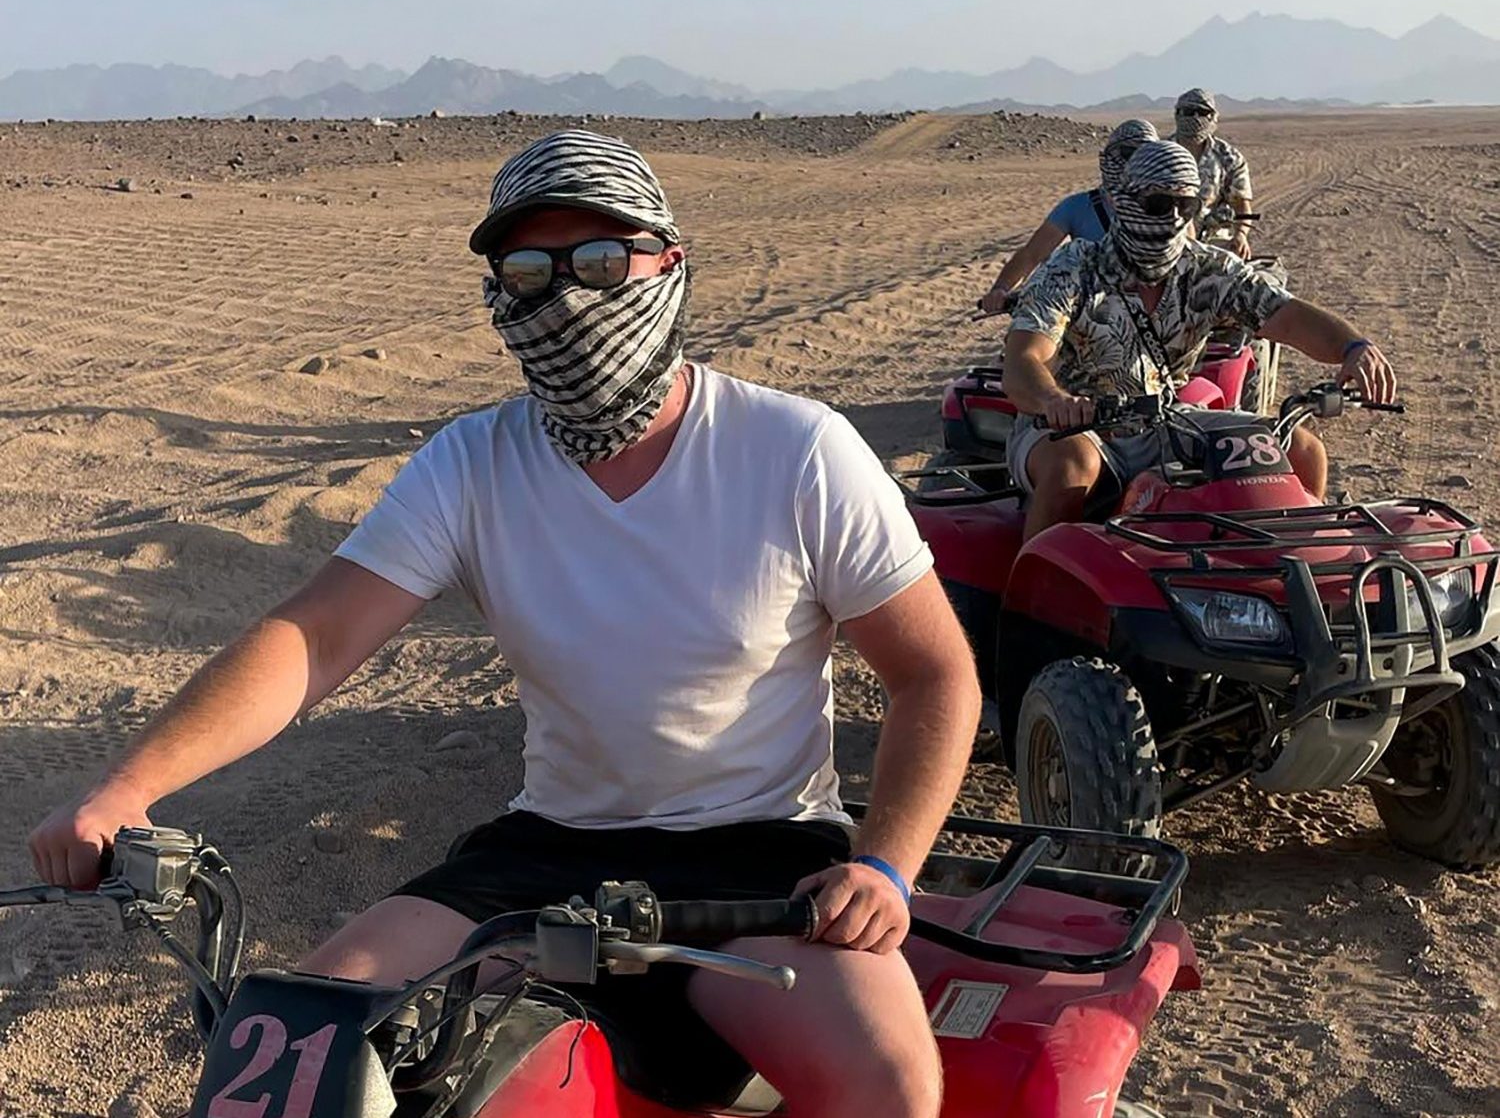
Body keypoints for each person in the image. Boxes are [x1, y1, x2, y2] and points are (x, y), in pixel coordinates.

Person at [28, 130, 981, 1118]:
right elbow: (315, 636)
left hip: (757, 859)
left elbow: (935, 674)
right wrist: (128, 786)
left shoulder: (795, 450)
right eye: (528, 269)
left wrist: (884, 866)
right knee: (298, 1053)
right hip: (546, 856)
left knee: (889, 1081)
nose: (566, 296)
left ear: (670, 262)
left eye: (602, 260)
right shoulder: (473, 463)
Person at [1002, 140, 1397, 542]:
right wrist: (1055, 401)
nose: (1173, 219)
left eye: (1185, 207)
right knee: (1074, 466)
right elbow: (1024, 358)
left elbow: (1288, 316)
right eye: (1158, 204)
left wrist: (1353, 347)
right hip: (1072, 428)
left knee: (1301, 450)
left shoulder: (1207, 269)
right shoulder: (1074, 268)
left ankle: (1292, 574)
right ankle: (1025, 595)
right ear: (1122, 201)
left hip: (1164, 421)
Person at [978, 119, 1158, 314]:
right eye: (1129, 153)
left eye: (1147, 155)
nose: (1136, 162)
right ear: (1109, 158)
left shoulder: (1169, 209)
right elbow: (1032, 254)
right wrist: (1000, 289)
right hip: (1089, 317)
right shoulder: (1077, 207)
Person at [1169, 87, 1254, 259]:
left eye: (1201, 112)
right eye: (1188, 111)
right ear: (1178, 114)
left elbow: (1243, 207)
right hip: (1169, 242)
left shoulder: (1229, 158)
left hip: (1214, 244)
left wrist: (1241, 235)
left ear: (1212, 116)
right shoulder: (1159, 154)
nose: (1194, 118)